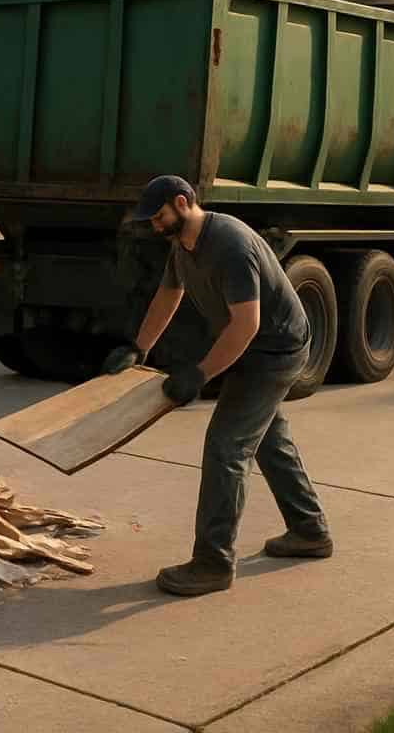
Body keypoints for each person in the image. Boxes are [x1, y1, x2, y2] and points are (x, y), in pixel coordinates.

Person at [103, 175, 332, 596]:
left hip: (275, 352)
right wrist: (139, 348)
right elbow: (169, 294)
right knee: (267, 440)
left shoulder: (230, 244)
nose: (154, 225)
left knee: (226, 447)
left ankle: (212, 563)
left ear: (182, 202)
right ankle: (309, 530)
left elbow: (248, 323)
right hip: (252, 349)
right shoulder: (183, 243)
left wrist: (200, 374)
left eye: (159, 216)